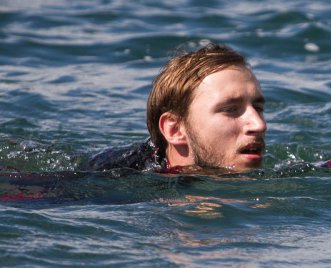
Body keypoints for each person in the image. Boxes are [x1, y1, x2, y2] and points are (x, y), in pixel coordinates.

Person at [81, 43, 267, 173]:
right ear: (175, 129)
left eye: (258, 108)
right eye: (230, 109)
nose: (259, 125)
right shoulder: (111, 187)